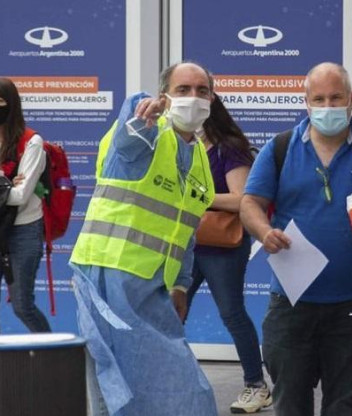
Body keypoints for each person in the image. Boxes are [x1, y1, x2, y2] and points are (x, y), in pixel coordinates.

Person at [240, 62, 352, 416]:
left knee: (347, 404)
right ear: (305, 102)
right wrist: (263, 230)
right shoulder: (280, 147)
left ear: (351, 100)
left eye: (335, 98)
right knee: (290, 402)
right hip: (291, 304)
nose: (327, 106)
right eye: (318, 99)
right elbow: (250, 204)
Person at [69, 62, 217, 416]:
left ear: (213, 99)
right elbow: (126, 143)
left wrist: (181, 285)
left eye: (202, 91)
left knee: (162, 389)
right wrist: (139, 121)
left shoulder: (198, 158)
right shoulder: (145, 133)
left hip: (151, 289)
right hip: (108, 276)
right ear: (164, 97)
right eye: (183, 90)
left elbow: (186, 232)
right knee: (116, 385)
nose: (193, 98)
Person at [186, 93, 272, 413]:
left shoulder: (229, 147)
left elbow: (242, 200)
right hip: (188, 242)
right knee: (171, 312)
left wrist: (199, 198)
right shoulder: (186, 147)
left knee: (231, 313)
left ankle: (256, 385)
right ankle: (175, 380)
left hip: (222, 246)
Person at [0, 77, 52, 333]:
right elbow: (13, 191)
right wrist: (6, 182)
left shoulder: (32, 142)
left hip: (23, 229)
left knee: (22, 305)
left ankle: (53, 359)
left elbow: (20, 197)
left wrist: (5, 186)